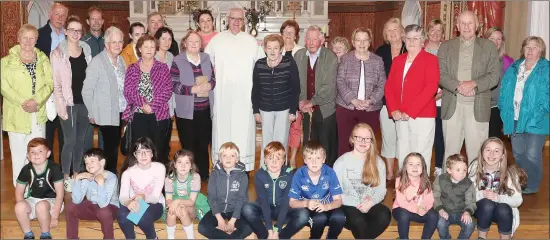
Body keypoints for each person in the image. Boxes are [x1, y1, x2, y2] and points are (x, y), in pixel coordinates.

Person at [204, 8, 266, 171]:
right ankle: (221, 166)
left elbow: (260, 68)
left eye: (240, 19)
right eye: (233, 18)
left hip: (245, 96)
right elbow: (205, 65)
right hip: (222, 95)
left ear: (244, 21)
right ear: (227, 20)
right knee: (222, 129)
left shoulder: (251, 41)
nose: (237, 22)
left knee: (243, 130)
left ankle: (243, 167)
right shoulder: (217, 40)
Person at [438, 11, 500, 166]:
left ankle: (477, 187)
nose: (466, 27)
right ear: (457, 26)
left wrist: (473, 84)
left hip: (477, 106)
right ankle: (449, 187)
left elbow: (494, 76)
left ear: (477, 25)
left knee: (477, 152)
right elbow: (439, 73)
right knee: (450, 153)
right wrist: (459, 87)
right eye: (462, 23)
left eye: (470, 23)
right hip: (453, 105)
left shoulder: (489, 46)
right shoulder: (445, 46)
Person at [2, 24, 53, 187]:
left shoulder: (43, 59)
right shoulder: (6, 62)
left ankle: (37, 190)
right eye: (25, 37)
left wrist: (36, 101)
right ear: (18, 39)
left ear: (36, 40)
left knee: (39, 153)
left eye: (32, 38)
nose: (28, 41)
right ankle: (21, 193)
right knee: (19, 156)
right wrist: (23, 102)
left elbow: (49, 84)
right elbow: (4, 86)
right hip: (17, 113)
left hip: (37, 113)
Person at [385, 24, 439, 175]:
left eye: (416, 38)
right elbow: (389, 87)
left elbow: (430, 88)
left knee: (420, 155)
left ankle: (421, 190)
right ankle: (403, 189)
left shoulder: (431, 60)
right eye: (408, 38)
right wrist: (394, 109)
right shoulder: (398, 60)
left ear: (423, 41)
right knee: (403, 152)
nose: (411, 41)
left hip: (422, 115)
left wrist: (410, 111)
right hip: (400, 116)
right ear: (404, 40)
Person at [499, 36, 548, 194]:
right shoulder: (514, 67)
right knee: (519, 153)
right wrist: (503, 109)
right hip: (514, 118)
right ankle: (522, 180)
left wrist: (539, 113)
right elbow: (504, 91)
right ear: (523, 49)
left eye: (535, 47)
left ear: (541, 51)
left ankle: (532, 184)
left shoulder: (546, 69)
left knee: (533, 154)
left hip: (536, 120)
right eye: (527, 47)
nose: (530, 50)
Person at [51, 16, 93, 191]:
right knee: (70, 140)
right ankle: (65, 176)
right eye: (72, 30)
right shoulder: (57, 53)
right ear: (66, 32)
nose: (75, 33)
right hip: (68, 104)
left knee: (81, 140)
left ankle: (77, 174)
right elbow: (56, 84)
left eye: (78, 30)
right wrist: (61, 108)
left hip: (84, 103)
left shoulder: (87, 51)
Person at [333, 123, 391, 239]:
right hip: (347, 205)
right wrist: (358, 205)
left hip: (369, 204)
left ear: (371, 141)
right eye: (359, 137)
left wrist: (371, 202)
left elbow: (381, 190)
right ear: (352, 139)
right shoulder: (341, 162)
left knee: (385, 214)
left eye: (367, 138)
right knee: (359, 220)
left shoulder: (378, 162)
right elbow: (336, 194)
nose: (363, 141)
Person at [82, 26, 127, 175]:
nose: (117, 45)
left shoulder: (121, 60)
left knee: (114, 146)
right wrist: (91, 112)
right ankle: (109, 178)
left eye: (120, 41)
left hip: (120, 110)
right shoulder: (97, 61)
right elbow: (87, 90)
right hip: (105, 112)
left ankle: (110, 177)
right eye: (113, 42)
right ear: (106, 44)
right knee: (110, 149)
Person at [171, 31, 216, 180]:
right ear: (184, 43)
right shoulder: (178, 60)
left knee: (203, 144)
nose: (194, 44)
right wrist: (191, 89)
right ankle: (189, 175)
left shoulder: (206, 58)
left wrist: (210, 85)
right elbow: (174, 84)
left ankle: (203, 174)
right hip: (186, 111)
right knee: (188, 145)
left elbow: (214, 79)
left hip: (204, 109)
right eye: (191, 42)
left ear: (201, 44)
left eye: (197, 42)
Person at [335, 27, 386, 157]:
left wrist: (371, 100)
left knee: (367, 144)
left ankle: (367, 173)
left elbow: (382, 83)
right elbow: (340, 81)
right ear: (353, 42)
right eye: (358, 40)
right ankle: (345, 174)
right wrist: (353, 100)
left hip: (370, 109)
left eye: (365, 40)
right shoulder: (345, 59)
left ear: (370, 42)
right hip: (347, 108)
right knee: (345, 144)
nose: (361, 44)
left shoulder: (377, 60)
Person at [122, 34, 172, 165]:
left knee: (158, 150)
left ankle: (158, 181)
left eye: (152, 46)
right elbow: (128, 91)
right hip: (138, 115)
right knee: (139, 149)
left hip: (159, 115)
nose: (149, 49)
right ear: (139, 49)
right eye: (146, 46)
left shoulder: (163, 67)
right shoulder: (132, 68)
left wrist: (152, 106)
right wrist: (143, 104)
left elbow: (167, 90)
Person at [252, 34, 300, 168]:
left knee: (281, 141)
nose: (272, 51)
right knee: (266, 141)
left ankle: (280, 170)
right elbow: (255, 89)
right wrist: (256, 110)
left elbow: (296, 88)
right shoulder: (259, 64)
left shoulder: (289, 63)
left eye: (276, 48)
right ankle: (265, 170)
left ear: (281, 49)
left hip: (284, 109)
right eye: (269, 48)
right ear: (264, 49)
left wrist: (292, 111)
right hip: (264, 109)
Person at [242, 142, 307, 239]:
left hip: (284, 210)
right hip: (265, 210)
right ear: (265, 160)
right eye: (270, 158)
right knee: (246, 208)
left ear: (284, 161)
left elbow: (286, 202)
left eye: (278, 158)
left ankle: (282, 237)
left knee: (303, 214)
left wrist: (277, 229)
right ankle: (264, 236)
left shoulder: (289, 175)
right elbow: (263, 202)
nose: (274, 162)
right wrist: (269, 229)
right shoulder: (260, 175)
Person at [294, 26, 339, 166]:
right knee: (309, 143)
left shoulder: (330, 57)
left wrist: (312, 102)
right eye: (308, 39)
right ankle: (309, 173)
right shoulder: (299, 55)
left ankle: (327, 174)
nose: (311, 42)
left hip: (325, 109)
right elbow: (295, 82)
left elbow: (329, 87)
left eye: (314, 39)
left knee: (326, 145)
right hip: (307, 110)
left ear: (322, 40)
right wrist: (301, 102)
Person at [468, 137, 526, 239]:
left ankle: (505, 238)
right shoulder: (475, 166)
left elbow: (518, 200)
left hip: (502, 212)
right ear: (482, 153)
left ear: (503, 155)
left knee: (503, 208)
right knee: (487, 204)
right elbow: (467, 196)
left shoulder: (511, 172)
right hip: (481, 209)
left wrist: (498, 198)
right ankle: (481, 237)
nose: (491, 154)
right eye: (488, 150)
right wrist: (482, 194)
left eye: (496, 151)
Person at [288, 141, 346, 239]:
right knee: (320, 218)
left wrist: (327, 206)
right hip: (309, 208)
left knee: (340, 217)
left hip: (327, 205)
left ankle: (331, 237)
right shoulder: (299, 174)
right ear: (304, 160)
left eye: (318, 158)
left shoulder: (330, 172)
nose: (314, 162)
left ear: (324, 159)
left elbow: (338, 200)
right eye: (310, 158)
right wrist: (306, 204)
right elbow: (292, 203)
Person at [198, 142, 253, 239]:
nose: (228, 158)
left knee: (248, 227)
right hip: (218, 209)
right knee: (202, 227)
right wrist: (219, 219)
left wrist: (232, 221)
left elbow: (242, 199)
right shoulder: (215, 175)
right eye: (225, 155)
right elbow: (211, 197)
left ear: (237, 159)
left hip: (235, 211)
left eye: (232, 155)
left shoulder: (242, 176)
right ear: (220, 159)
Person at [36, 3, 68, 164]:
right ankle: (49, 169)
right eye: (57, 14)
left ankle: (63, 170)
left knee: (65, 135)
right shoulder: (39, 35)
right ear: (50, 14)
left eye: (63, 15)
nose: (60, 18)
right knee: (47, 136)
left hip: (65, 95)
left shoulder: (70, 36)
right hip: (47, 94)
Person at [375, 17, 407, 180]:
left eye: (396, 29)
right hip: (385, 101)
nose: (393, 33)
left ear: (402, 32)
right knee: (388, 137)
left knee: (403, 138)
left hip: (406, 103)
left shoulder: (410, 49)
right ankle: (389, 172)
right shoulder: (380, 51)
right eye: (389, 30)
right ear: (385, 34)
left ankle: (402, 172)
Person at [14, 138, 64, 239]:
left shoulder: (54, 168)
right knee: (19, 206)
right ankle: (28, 234)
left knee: (41, 206)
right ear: (28, 156)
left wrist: (55, 216)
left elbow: (60, 194)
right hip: (33, 200)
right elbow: (19, 192)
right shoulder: (26, 169)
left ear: (48, 153)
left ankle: (45, 234)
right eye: (32, 152)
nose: (36, 154)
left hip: (52, 202)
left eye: (40, 151)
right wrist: (25, 210)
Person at [117, 137, 166, 240]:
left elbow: (155, 197)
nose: (143, 155)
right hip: (133, 203)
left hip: (154, 204)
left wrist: (143, 197)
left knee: (140, 214)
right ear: (135, 155)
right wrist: (128, 202)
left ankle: (152, 237)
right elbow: (123, 196)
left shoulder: (160, 168)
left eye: (147, 151)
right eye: (139, 152)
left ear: (152, 153)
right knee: (121, 214)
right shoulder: (128, 172)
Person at [66, 148, 119, 239]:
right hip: (92, 208)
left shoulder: (111, 177)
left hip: (109, 208)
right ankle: (72, 238)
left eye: (92, 161)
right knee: (71, 207)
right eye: (86, 163)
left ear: (102, 162)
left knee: (104, 212)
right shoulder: (87, 176)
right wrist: (77, 179)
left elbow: (103, 204)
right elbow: (77, 200)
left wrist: (101, 183)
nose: (89, 165)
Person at [392, 153, 438, 240]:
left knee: (434, 215)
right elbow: (402, 202)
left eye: (418, 164)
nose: (415, 167)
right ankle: (403, 238)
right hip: (401, 209)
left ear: (423, 167)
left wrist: (424, 208)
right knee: (403, 215)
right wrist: (416, 209)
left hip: (419, 210)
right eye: (411, 164)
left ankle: (426, 238)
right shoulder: (400, 180)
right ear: (405, 167)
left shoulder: (425, 181)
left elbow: (429, 200)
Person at [164, 150, 206, 239]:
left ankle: (190, 237)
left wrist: (177, 201)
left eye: (187, 163)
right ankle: (170, 237)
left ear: (191, 166)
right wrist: (172, 204)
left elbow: (191, 202)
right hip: (175, 204)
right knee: (171, 212)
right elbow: (168, 199)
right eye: (180, 162)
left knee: (182, 210)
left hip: (192, 205)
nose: (183, 166)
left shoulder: (195, 177)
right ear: (174, 165)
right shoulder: (169, 178)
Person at [433, 154, 476, 240]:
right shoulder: (441, 180)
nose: (462, 173)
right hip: (444, 211)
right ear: (449, 170)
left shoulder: (468, 184)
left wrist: (467, 212)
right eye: (458, 170)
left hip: (461, 212)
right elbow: (435, 197)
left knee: (470, 224)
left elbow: (471, 201)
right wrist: (440, 210)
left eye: (464, 170)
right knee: (440, 223)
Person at [281, 19, 304, 167]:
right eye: (285, 32)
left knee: (295, 128)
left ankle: (293, 157)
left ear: (296, 36)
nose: (288, 35)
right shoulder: (275, 49)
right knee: (281, 129)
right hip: (280, 95)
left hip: (296, 95)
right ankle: (281, 157)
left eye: (291, 33)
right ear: (281, 34)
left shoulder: (302, 51)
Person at [82, 7, 106, 153]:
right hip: (88, 94)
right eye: (93, 19)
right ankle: (87, 165)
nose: (96, 22)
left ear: (103, 21)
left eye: (99, 19)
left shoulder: (109, 40)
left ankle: (104, 166)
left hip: (105, 95)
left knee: (105, 133)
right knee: (87, 133)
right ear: (88, 21)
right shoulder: (82, 42)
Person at [424, 19, 445, 177]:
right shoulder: (421, 50)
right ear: (427, 32)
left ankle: (438, 166)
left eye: (439, 31)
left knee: (440, 134)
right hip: (425, 99)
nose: (435, 34)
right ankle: (422, 165)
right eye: (433, 30)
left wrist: (441, 92)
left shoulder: (447, 49)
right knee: (425, 134)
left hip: (443, 99)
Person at [485, 27, 514, 139]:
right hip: (478, 106)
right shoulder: (477, 59)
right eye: (492, 38)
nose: (495, 42)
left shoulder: (508, 62)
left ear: (502, 42)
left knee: (492, 140)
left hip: (496, 108)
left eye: (499, 39)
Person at [154, 26, 177, 163]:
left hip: (168, 104)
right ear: (157, 40)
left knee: (166, 138)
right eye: (163, 39)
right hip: (155, 105)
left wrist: (173, 107)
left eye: (169, 39)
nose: (167, 42)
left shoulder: (171, 57)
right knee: (155, 138)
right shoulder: (151, 56)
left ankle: (163, 163)